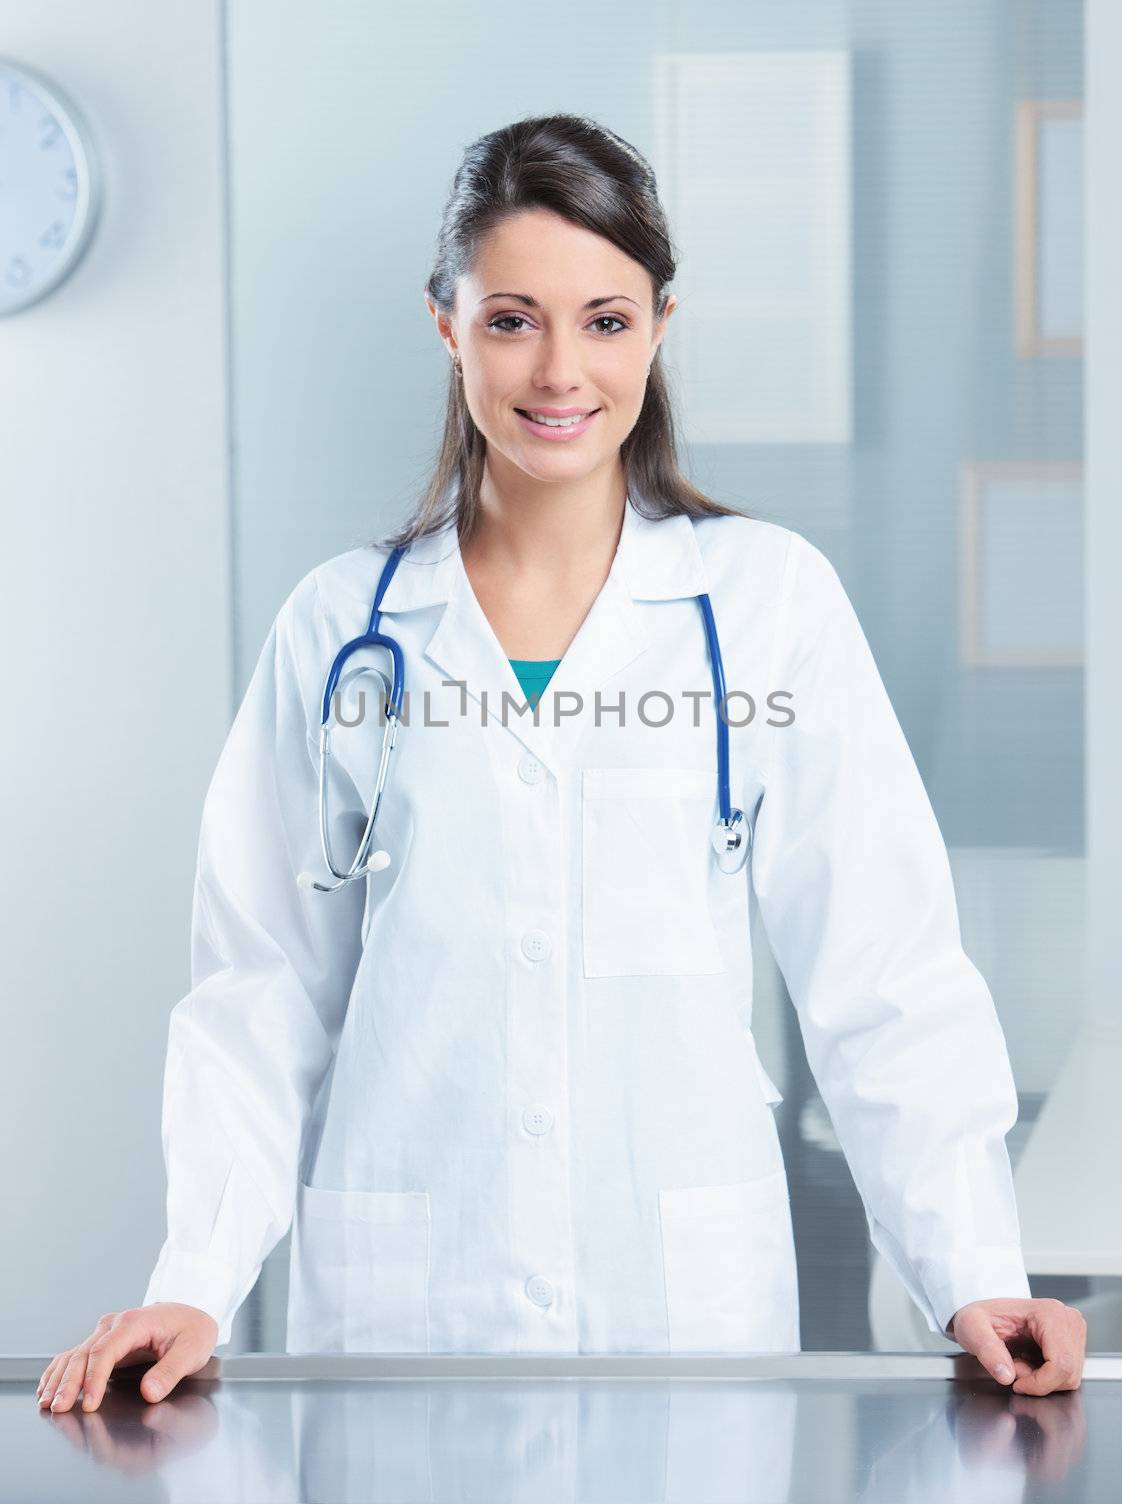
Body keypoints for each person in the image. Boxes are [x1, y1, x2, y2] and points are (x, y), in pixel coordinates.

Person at [38, 114, 1086, 1416]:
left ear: (657, 326)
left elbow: (879, 972)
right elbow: (262, 992)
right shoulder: (340, 627)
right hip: (403, 1303)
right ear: (446, 324)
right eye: (510, 318)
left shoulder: (763, 603)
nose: (556, 370)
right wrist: (193, 1275)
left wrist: (969, 1269)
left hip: (680, 1299)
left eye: (602, 319)